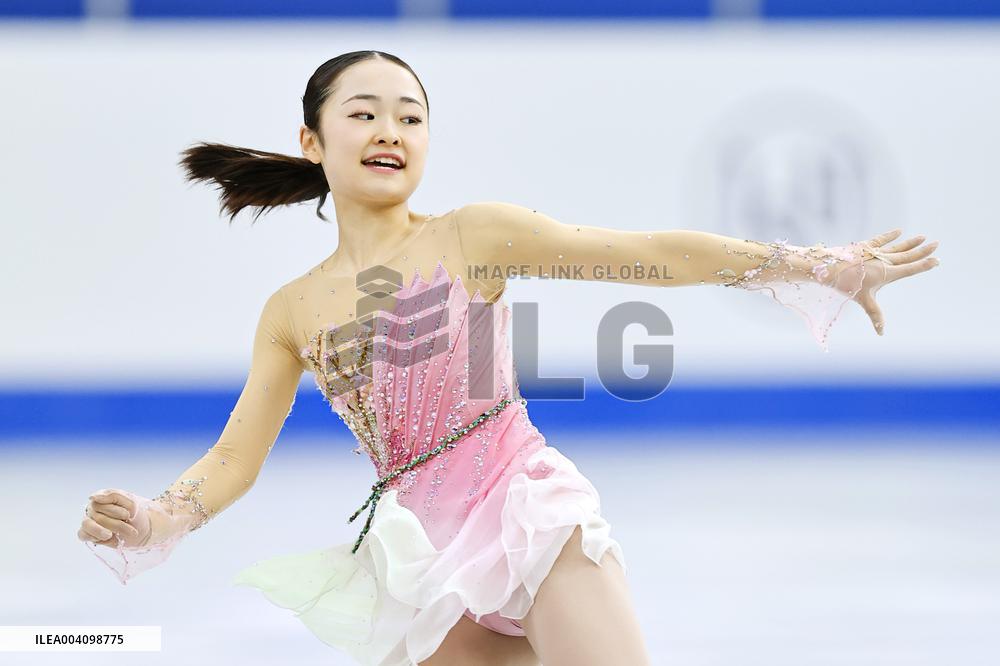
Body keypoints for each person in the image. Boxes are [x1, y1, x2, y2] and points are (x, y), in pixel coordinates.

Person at [77, 50, 940, 666]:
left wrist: (815, 266)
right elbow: (235, 456)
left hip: (530, 518)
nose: (389, 130)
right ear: (312, 141)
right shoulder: (291, 309)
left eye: (410, 116)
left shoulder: (471, 235)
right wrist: (160, 517)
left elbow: (648, 254)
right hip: (424, 562)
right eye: (364, 113)